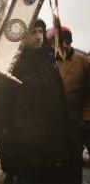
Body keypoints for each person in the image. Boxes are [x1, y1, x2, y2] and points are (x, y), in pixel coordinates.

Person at [0, 19, 71, 184]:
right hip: (27, 152)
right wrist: (8, 156)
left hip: (53, 147)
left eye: (40, 31)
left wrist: (66, 138)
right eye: (33, 32)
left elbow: (61, 103)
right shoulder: (11, 69)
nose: (39, 36)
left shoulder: (49, 64)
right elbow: (0, 114)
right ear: (22, 36)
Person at [47, 26, 90, 181]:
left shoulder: (83, 61)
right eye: (58, 41)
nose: (64, 44)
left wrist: (86, 118)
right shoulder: (48, 66)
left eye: (67, 40)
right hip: (65, 126)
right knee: (72, 163)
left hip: (86, 121)